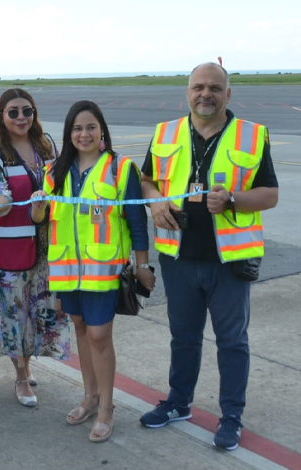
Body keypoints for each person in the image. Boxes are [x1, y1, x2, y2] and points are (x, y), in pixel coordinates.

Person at [139, 63, 278, 451]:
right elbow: (146, 179)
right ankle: (178, 402)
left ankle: (231, 417)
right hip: (178, 257)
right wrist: (154, 203)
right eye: (198, 87)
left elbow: (269, 194)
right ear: (187, 92)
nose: (206, 94)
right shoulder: (166, 133)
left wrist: (234, 199)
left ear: (228, 95)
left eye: (215, 88)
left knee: (232, 342)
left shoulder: (251, 136)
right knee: (183, 338)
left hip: (229, 262)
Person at [31, 100, 155, 442]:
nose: (83, 134)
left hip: (103, 270)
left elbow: (136, 219)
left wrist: (142, 264)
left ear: (102, 130)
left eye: (90, 127)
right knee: (81, 329)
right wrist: (38, 208)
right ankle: (90, 396)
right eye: (76, 128)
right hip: (68, 270)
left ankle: (107, 408)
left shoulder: (120, 168)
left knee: (100, 336)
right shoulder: (55, 171)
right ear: (68, 134)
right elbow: (41, 220)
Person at [0, 89, 70, 408]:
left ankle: (27, 365)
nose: (20, 118)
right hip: (10, 248)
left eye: (26, 111)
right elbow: (0, 189)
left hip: (46, 247)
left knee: (40, 310)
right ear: (1, 116)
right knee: (15, 313)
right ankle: (21, 375)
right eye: (12, 112)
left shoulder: (47, 146)